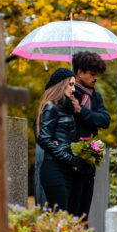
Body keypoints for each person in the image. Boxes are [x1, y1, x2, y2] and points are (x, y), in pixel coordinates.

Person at [36, 68, 91, 212]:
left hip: (68, 170)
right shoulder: (50, 106)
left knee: (71, 218)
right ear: (61, 84)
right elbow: (44, 138)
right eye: (71, 84)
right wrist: (70, 159)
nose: (73, 89)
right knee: (60, 218)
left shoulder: (67, 109)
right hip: (54, 169)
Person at [68, 51, 111, 221]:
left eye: (97, 74)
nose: (96, 78)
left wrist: (81, 111)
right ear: (79, 72)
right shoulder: (68, 94)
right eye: (92, 74)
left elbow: (105, 120)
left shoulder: (96, 97)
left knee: (84, 210)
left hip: (89, 161)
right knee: (71, 209)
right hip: (69, 159)